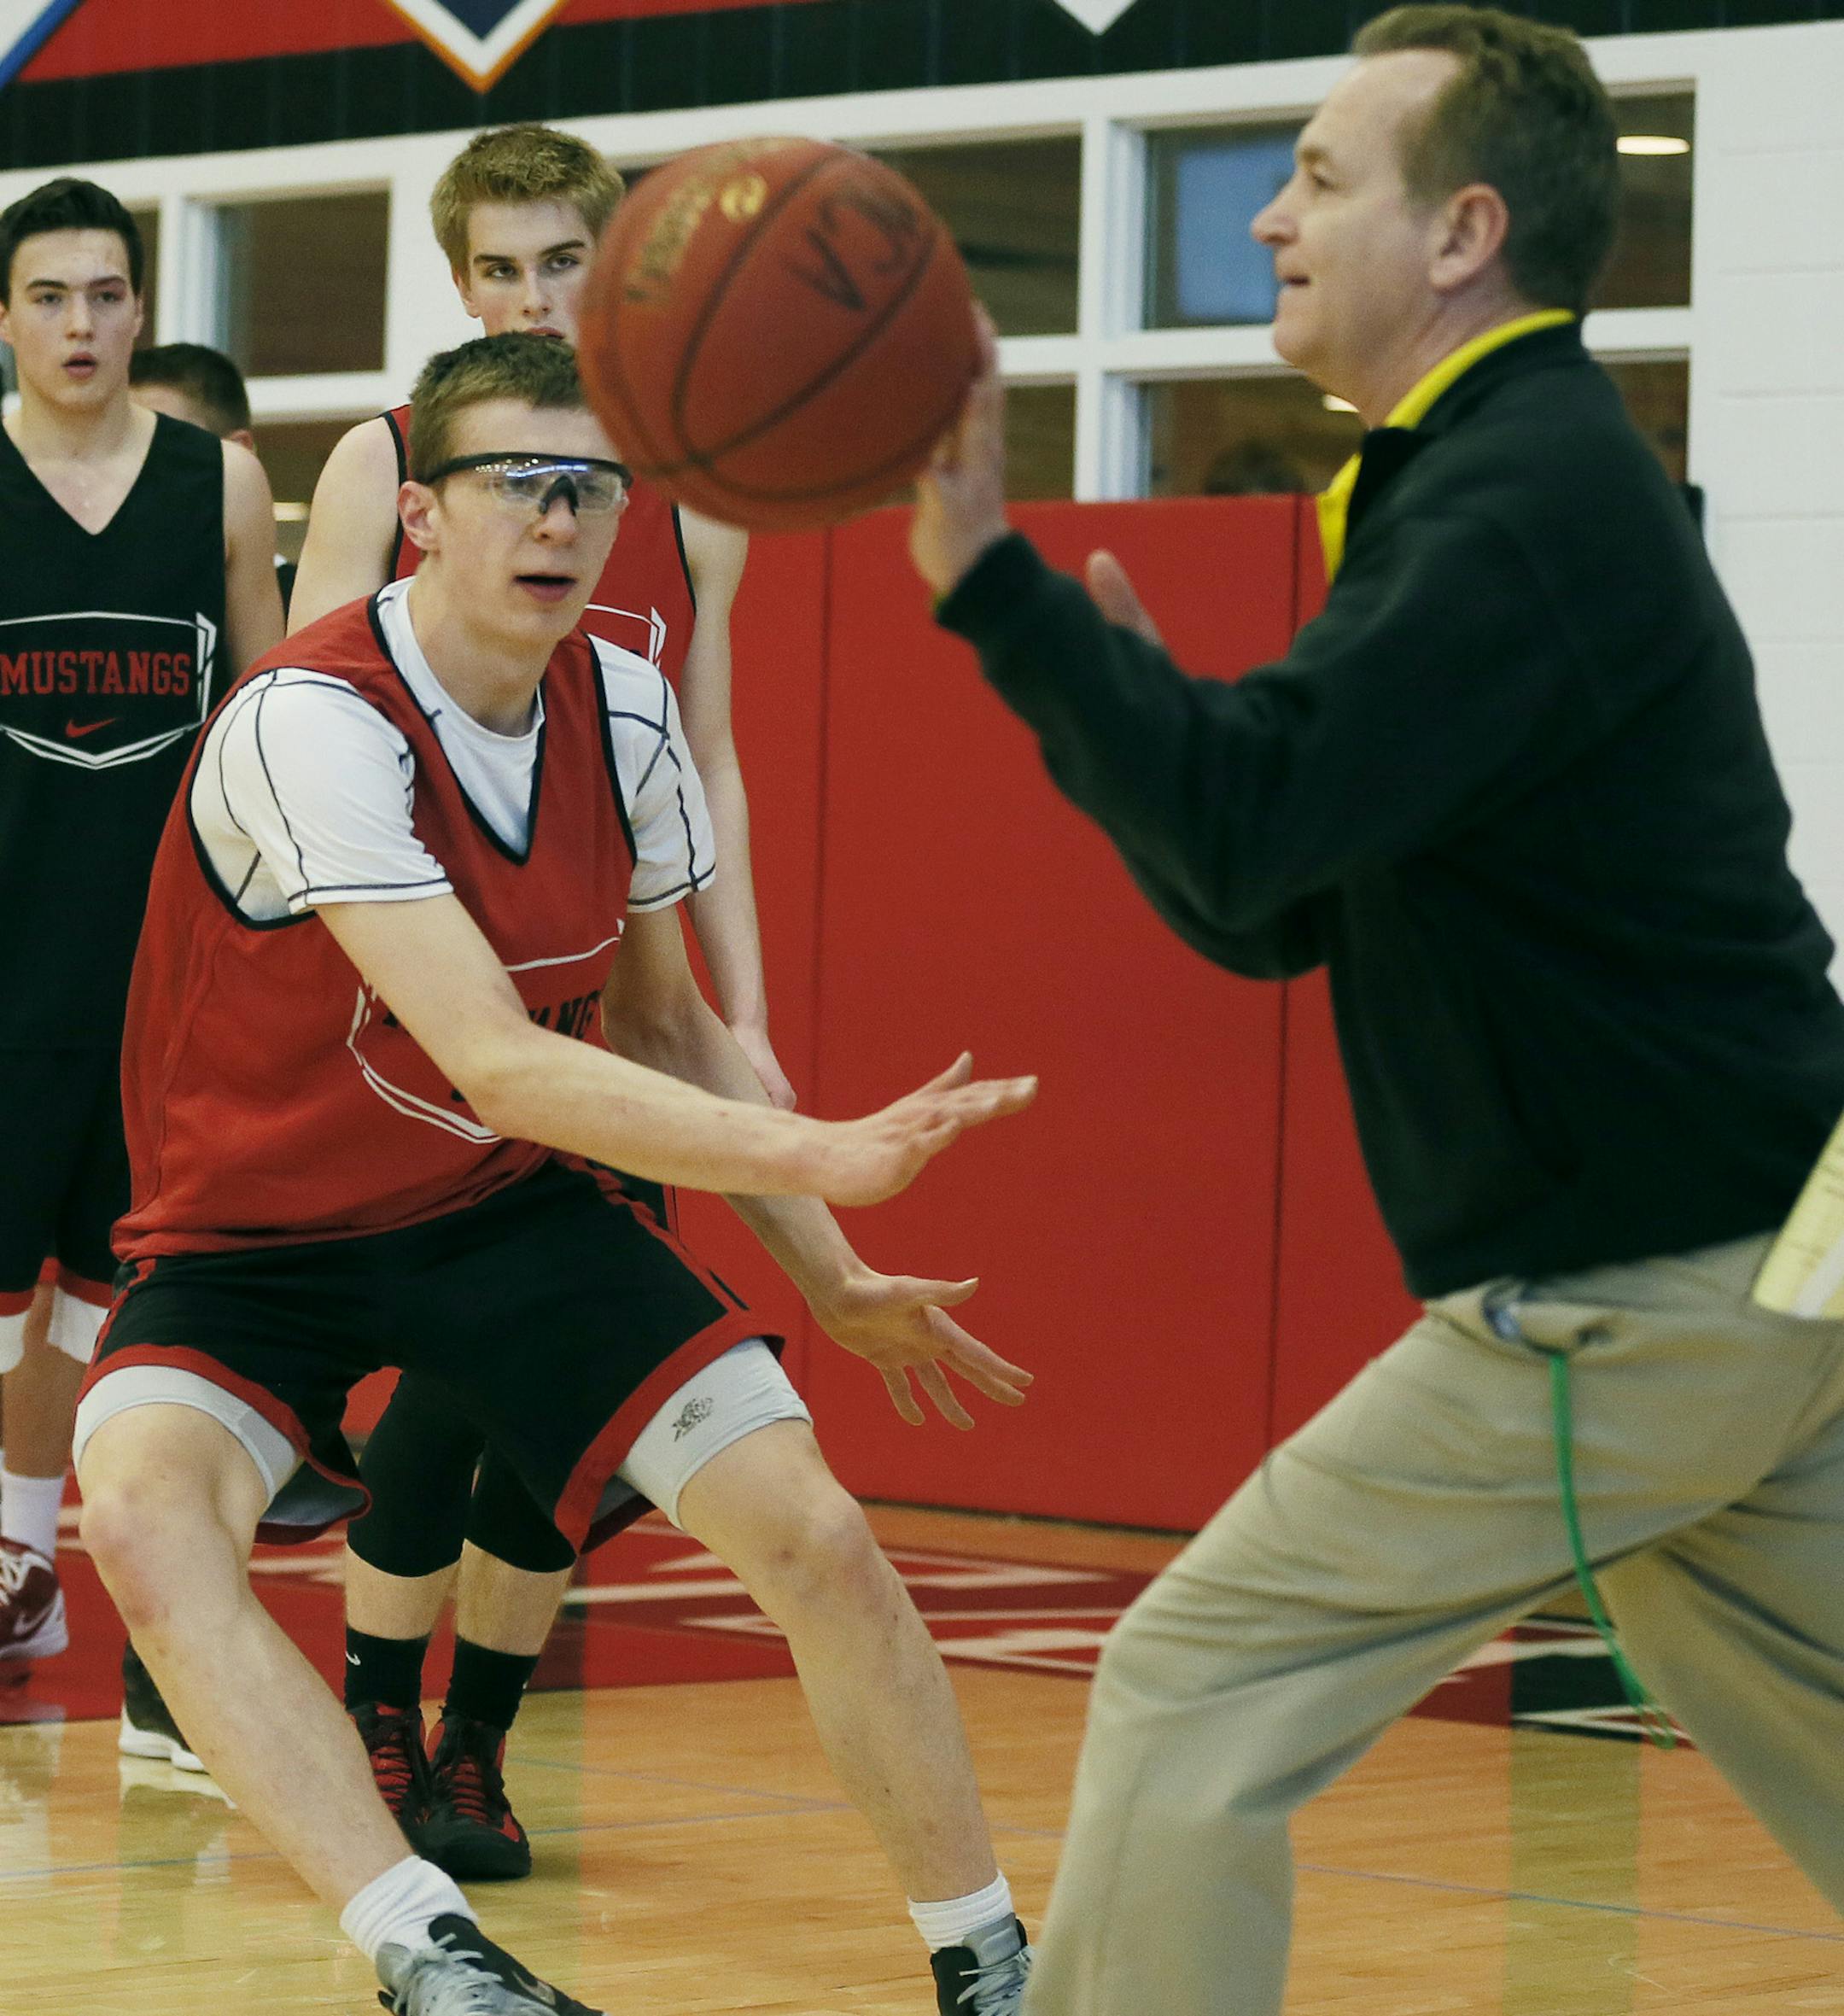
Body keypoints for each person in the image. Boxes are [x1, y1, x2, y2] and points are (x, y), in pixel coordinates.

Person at [910, 9, 1844, 2012]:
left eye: (1322, 176)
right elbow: (1278, 909)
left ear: (1462, 233)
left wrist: (995, 585)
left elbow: (1251, 827)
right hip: (1758, 1266)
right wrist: (1134, 719)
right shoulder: (1482, 478)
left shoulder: (1520, 499)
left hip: (1626, 1295)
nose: (1261, 219)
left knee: (1184, 1684)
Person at [73, 332, 1037, 2016]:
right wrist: (820, 1147)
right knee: (147, 1512)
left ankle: (996, 1959)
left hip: (500, 1209)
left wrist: (830, 1271)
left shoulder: (629, 704)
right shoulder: (309, 721)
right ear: (423, 516)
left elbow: (663, 1023)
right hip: (254, 1230)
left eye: (589, 482)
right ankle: (427, 1950)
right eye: (515, 477)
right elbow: (497, 1057)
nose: (558, 513)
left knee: (815, 1525)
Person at [286, 126, 792, 1869]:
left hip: (597, 1023)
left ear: (618, 264)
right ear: (459, 284)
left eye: (557, 262)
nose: (528, 294)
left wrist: (749, 1010)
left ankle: (477, 1745)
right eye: (498, 269)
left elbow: (705, 758)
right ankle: (372, 1717)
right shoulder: (387, 461)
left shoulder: (685, 483)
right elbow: (306, 733)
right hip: (426, 1033)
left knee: (548, 1430)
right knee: (441, 1396)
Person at [0, 178, 283, 1669]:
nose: (82, 323)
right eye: (50, 296)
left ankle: (21, 1547)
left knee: (108, 1283)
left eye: (107, 294)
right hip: (3, 954)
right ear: (4, 319)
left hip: (163, 966)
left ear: (141, 311)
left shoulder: (219, 486)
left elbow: (275, 717)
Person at [129, 340, 300, 612]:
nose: (137, 467)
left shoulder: (306, 608)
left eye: (164, 442)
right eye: (122, 445)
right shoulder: (116, 590)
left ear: (237, 452)